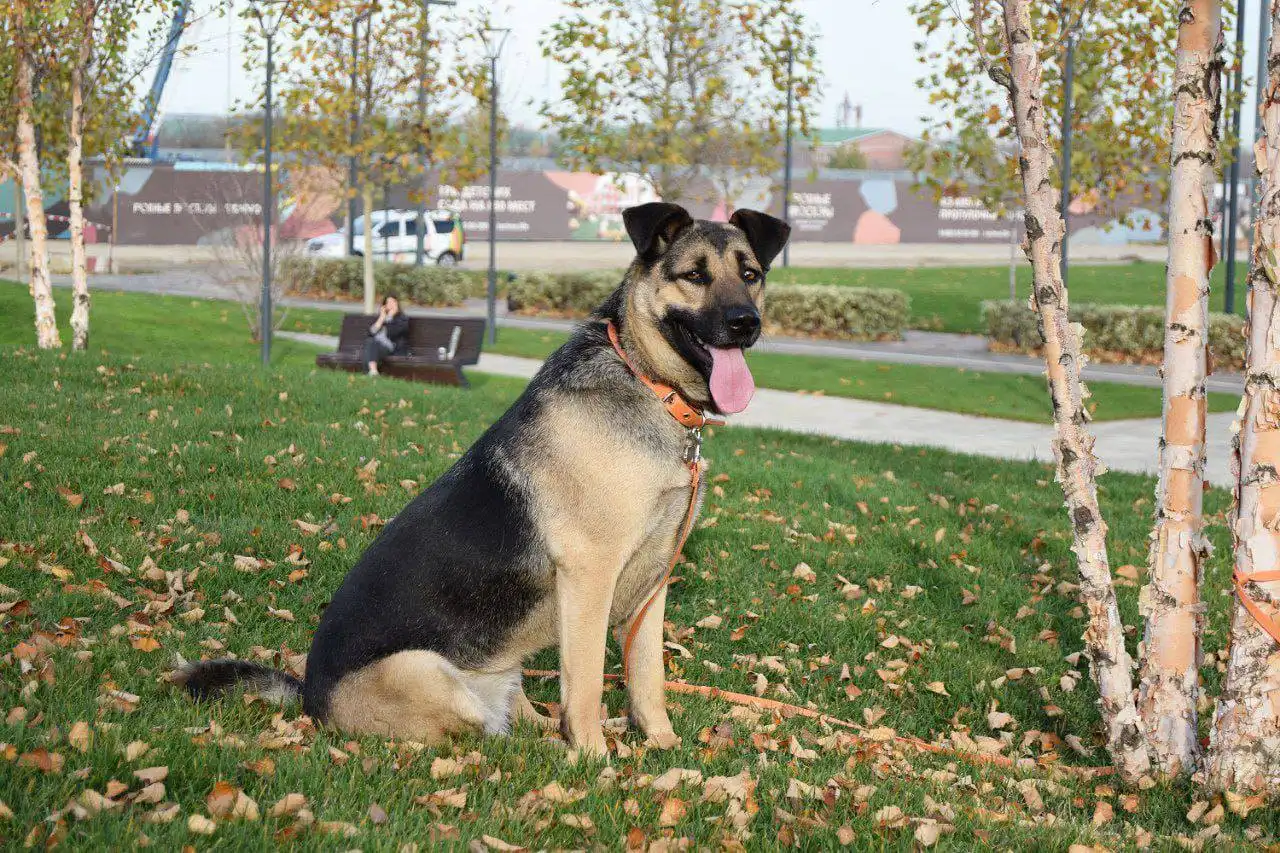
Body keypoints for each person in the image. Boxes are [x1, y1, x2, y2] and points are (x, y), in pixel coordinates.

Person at [363, 294, 409, 376]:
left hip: (390, 346)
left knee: (371, 345)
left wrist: (390, 317)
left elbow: (393, 333)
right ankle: (373, 371)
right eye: (388, 303)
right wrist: (381, 318)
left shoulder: (403, 319)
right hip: (375, 345)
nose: (391, 305)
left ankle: (371, 372)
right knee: (371, 342)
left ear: (397, 304)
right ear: (385, 306)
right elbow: (370, 333)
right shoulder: (382, 317)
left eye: (393, 302)